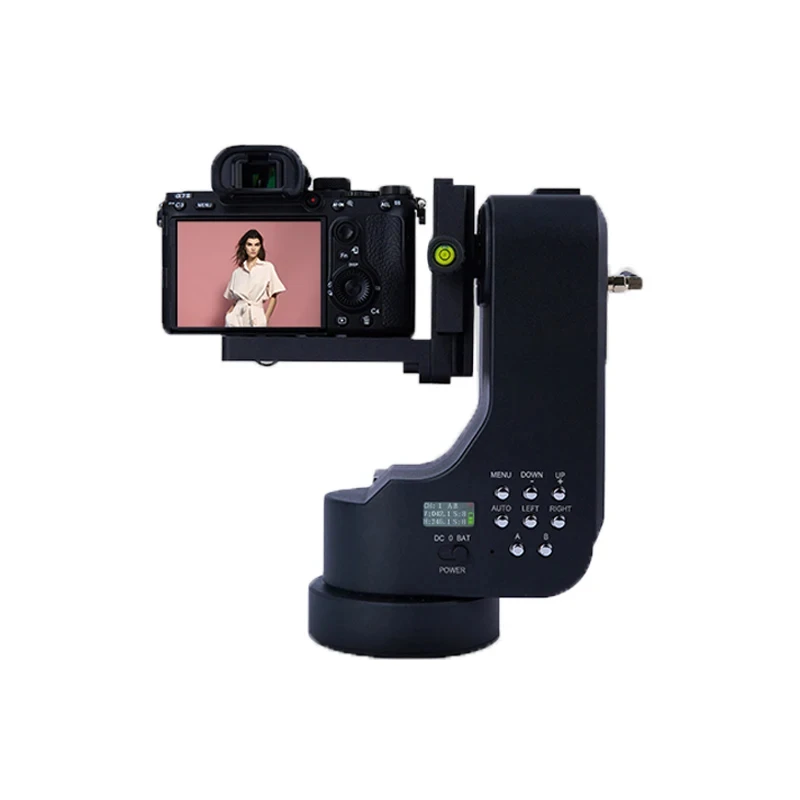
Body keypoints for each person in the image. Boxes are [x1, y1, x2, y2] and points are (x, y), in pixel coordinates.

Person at [223, 229, 286, 327]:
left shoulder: (267, 268)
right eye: (249, 244)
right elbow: (236, 301)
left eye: (257, 245)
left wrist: (266, 318)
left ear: (260, 247)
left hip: (257, 317)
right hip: (236, 318)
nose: (253, 248)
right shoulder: (237, 272)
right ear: (244, 247)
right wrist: (228, 316)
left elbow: (274, 296)